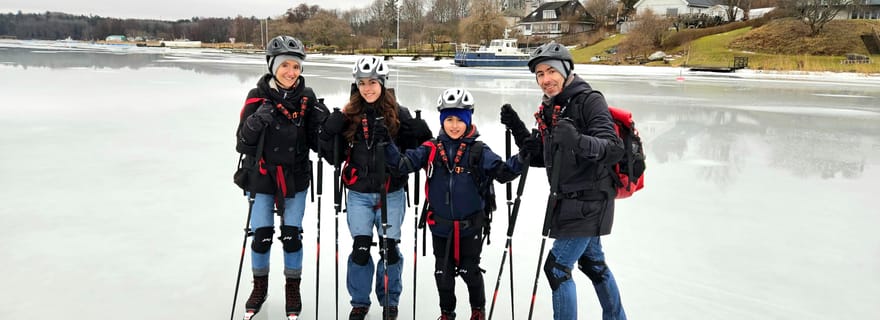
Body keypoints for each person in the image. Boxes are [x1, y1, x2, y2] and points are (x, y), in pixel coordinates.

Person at [499, 42, 627, 320]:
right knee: (593, 264)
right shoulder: (552, 107)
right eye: (540, 74)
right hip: (568, 201)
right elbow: (543, 158)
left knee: (557, 268)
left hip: (589, 201)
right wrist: (517, 128)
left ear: (566, 70)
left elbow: (613, 148)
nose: (546, 79)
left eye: (551, 71)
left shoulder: (589, 100)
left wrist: (577, 140)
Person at [387, 88, 523, 320]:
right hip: (440, 227)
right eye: (449, 119)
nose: (454, 125)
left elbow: (504, 172)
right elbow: (402, 165)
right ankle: (447, 313)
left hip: (471, 227)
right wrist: (386, 141)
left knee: (470, 271)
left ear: (468, 120)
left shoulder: (479, 150)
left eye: (460, 120)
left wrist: (523, 155)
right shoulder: (430, 149)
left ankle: (477, 310)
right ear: (442, 120)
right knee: (443, 275)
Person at [320, 56, 433, 320]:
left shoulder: (400, 114)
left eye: (372, 82)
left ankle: (389, 301)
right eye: (362, 83)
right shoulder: (349, 115)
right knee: (360, 249)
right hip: (358, 193)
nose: (367, 88)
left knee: (389, 250)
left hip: (391, 192)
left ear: (382, 83)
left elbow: (418, 156)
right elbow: (332, 156)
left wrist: (423, 135)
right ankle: (360, 303)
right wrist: (327, 133)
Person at [234, 35, 329, 320]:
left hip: (295, 178)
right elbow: (242, 143)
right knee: (261, 236)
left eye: (296, 66)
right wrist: (254, 122)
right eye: (285, 65)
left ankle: (292, 288)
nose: (291, 72)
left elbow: (318, 144)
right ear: (273, 66)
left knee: (291, 236)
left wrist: (326, 127)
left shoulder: (307, 98)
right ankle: (259, 287)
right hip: (261, 177)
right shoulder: (257, 96)